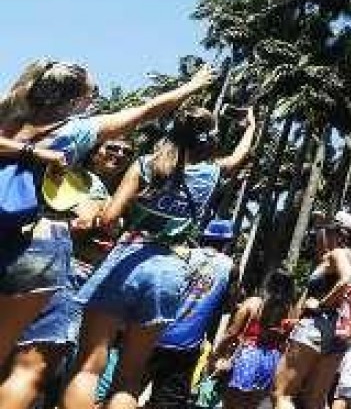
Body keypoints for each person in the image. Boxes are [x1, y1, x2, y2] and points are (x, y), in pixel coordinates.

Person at [0, 60, 215, 366]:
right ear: (74, 101)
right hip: (28, 239)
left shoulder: (9, 116)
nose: (94, 101)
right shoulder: (77, 131)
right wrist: (192, 87)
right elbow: (146, 111)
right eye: (92, 93)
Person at [65, 99, 256, 409]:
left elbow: (110, 217)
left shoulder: (145, 165)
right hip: (171, 268)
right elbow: (238, 157)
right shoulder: (210, 174)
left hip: (128, 257)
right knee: (129, 378)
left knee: (89, 367)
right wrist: (251, 127)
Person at [0, 135, 132, 409]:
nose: (119, 154)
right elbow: (80, 224)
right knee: (35, 366)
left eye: (126, 152)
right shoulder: (83, 182)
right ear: (94, 152)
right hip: (65, 274)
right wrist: (104, 222)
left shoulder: (99, 186)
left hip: (58, 273)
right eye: (112, 148)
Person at [143, 218, 237, 409]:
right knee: (168, 402)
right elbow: (226, 306)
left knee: (127, 387)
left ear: (204, 237)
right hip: (186, 344)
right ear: (227, 243)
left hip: (153, 332)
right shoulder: (231, 268)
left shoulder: (183, 254)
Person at [274, 211, 351, 409]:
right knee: (315, 402)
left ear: (341, 235)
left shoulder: (337, 254)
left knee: (282, 393)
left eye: (330, 231)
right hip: (338, 332)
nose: (324, 235)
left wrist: (321, 304)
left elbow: (346, 280)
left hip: (317, 324)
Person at [212, 270, 296, 409]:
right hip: (271, 361)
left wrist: (217, 354)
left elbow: (232, 333)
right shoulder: (291, 311)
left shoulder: (254, 303)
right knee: (252, 404)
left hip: (247, 357)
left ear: (269, 284)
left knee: (232, 403)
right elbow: (287, 341)